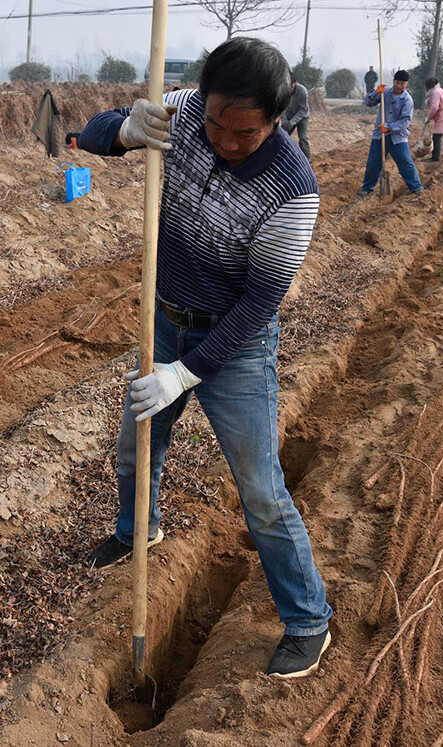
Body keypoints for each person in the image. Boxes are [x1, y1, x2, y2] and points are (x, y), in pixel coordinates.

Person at [77, 37, 332, 679]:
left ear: (276, 118)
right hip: (162, 317)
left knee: (260, 488)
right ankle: (139, 531)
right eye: (217, 120)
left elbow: (258, 304)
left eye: (244, 130)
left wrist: (184, 375)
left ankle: (308, 619)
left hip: (236, 341)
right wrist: (125, 129)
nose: (225, 137)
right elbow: (92, 136)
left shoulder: (293, 190)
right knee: (136, 447)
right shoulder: (187, 109)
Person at [358, 69, 423, 196]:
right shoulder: (385, 93)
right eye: (397, 83)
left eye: (402, 84)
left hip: (397, 137)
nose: (399, 86)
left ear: (406, 84)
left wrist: (389, 127)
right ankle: (367, 188)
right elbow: (368, 102)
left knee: (405, 161)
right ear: (393, 82)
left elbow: (405, 121)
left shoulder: (407, 100)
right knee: (373, 162)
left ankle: (416, 187)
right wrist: (376, 92)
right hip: (379, 135)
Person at [422, 77, 443, 162]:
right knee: (436, 137)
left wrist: (428, 117)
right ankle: (435, 156)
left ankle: (435, 158)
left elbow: (434, 108)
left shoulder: (435, 93)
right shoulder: (440, 90)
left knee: (436, 137)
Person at [281, 73, 311, 161]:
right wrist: (284, 121)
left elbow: (303, 109)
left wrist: (292, 122)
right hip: (289, 116)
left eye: (290, 84)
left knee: (302, 138)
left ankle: (307, 160)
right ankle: (283, 158)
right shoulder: (283, 91)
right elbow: (283, 107)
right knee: (283, 137)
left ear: (295, 83)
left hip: (302, 117)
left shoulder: (302, 91)